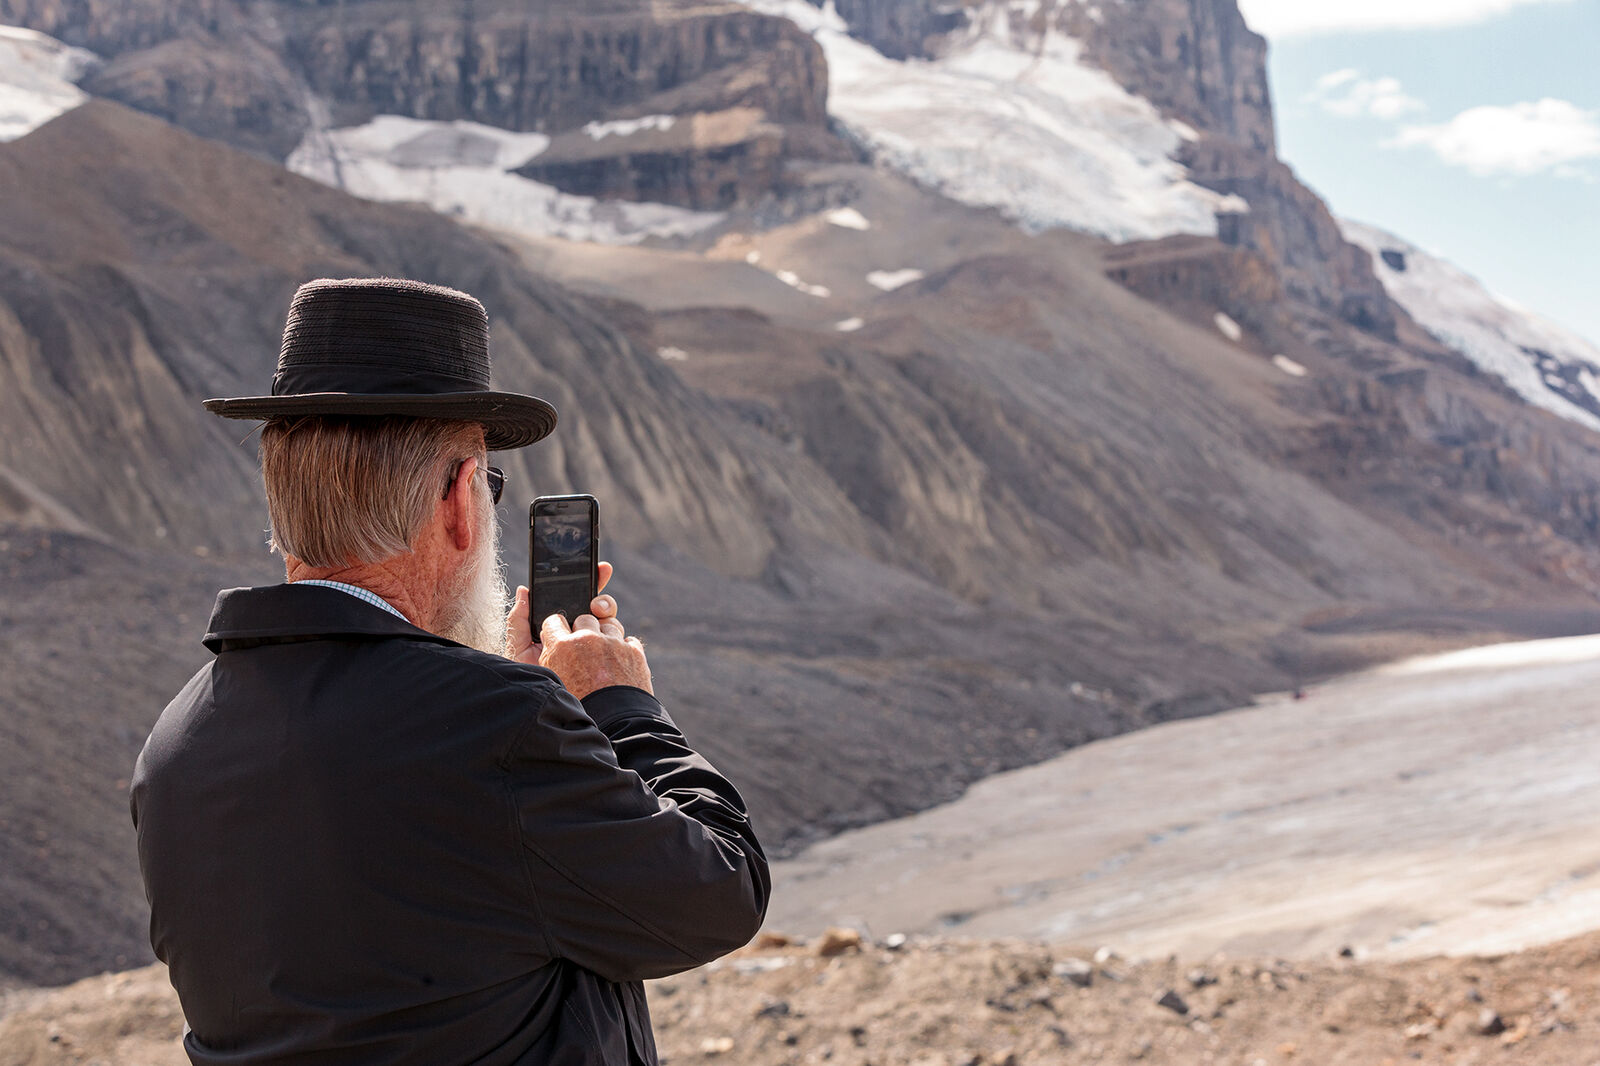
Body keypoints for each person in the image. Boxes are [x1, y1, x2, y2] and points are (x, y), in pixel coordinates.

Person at [130, 277, 769, 1065]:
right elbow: (720, 894)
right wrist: (620, 707)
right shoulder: (496, 725)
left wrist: (499, 688)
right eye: (489, 483)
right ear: (464, 499)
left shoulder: (175, 746)